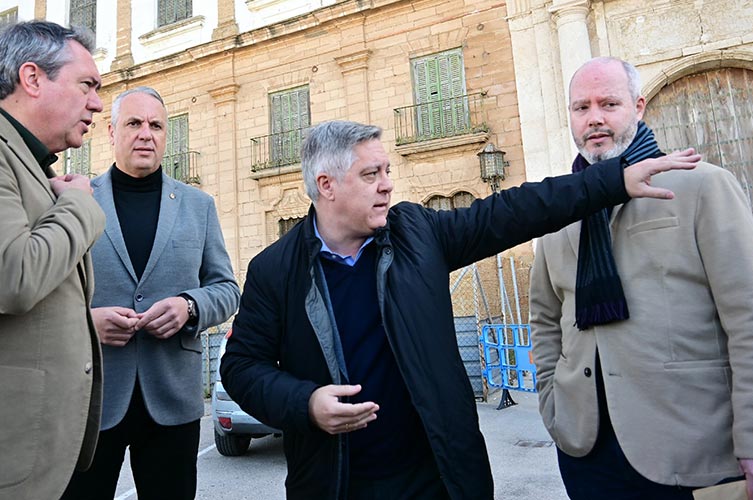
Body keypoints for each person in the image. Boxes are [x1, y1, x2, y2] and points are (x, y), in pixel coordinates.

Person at [220, 119, 700, 499]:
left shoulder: (417, 233)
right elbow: (241, 367)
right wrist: (305, 403)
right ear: (326, 185)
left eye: (387, 171)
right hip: (334, 482)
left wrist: (612, 180)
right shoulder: (274, 270)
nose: (387, 185)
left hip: (439, 478)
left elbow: (514, 210)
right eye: (371, 175)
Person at [529, 56, 753, 500]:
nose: (594, 118)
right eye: (581, 107)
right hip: (586, 451)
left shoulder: (701, 186)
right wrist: (552, 402)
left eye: (608, 104)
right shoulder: (560, 211)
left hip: (691, 445)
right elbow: (545, 318)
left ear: (638, 107)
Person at [61, 86, 240, 500]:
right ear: (111, 132)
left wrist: (189, 306)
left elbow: (227, 289)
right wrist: (86, 324)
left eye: (156, 125)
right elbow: (46, 292)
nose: (146, 133)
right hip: (91, 398)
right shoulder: (77, 200)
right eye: (134, 123)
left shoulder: (198, 205)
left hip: (172, 402)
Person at [0, 20, 105, 500]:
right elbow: (14, 276)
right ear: (32, 78)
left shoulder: (30, 164)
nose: (96, 103)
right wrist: (80, 204)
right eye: (87, 85)